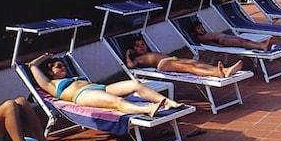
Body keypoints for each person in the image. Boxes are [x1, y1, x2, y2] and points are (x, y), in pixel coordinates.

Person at [29, 53, 182, 117]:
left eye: (63, 65)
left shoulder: (71, 78)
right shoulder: (50, 84)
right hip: (83, 95)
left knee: (135, 84)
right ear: (50, 72)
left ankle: (167, 102)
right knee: (118, 101)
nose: (63, 68)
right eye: (59, 66)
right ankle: (148, 109)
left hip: (99, 88)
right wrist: (45, 57)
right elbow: (32, 66)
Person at [124, 36, 243, 78]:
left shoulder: (150, 53)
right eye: (138, 46)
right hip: (163, 64)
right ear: (133, 49)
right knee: (189, 68)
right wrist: (128, 54)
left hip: (171, 59)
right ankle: (216, 73)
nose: (141, 47)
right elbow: (130, 66)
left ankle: (225, 70)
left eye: (142, 44)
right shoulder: (137, 59)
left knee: (196, 62)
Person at [190, 18, 272, 50]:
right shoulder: (200, 37)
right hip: (223, 40)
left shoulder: (204, 34)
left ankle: (261, 45)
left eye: (201, 27)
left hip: (225, 37)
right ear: (194, 31)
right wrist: (220, 47)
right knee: (242, 43)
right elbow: (211, 43)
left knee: (245, 40)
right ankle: (261, 47)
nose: (201, 29)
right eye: (198, 29)